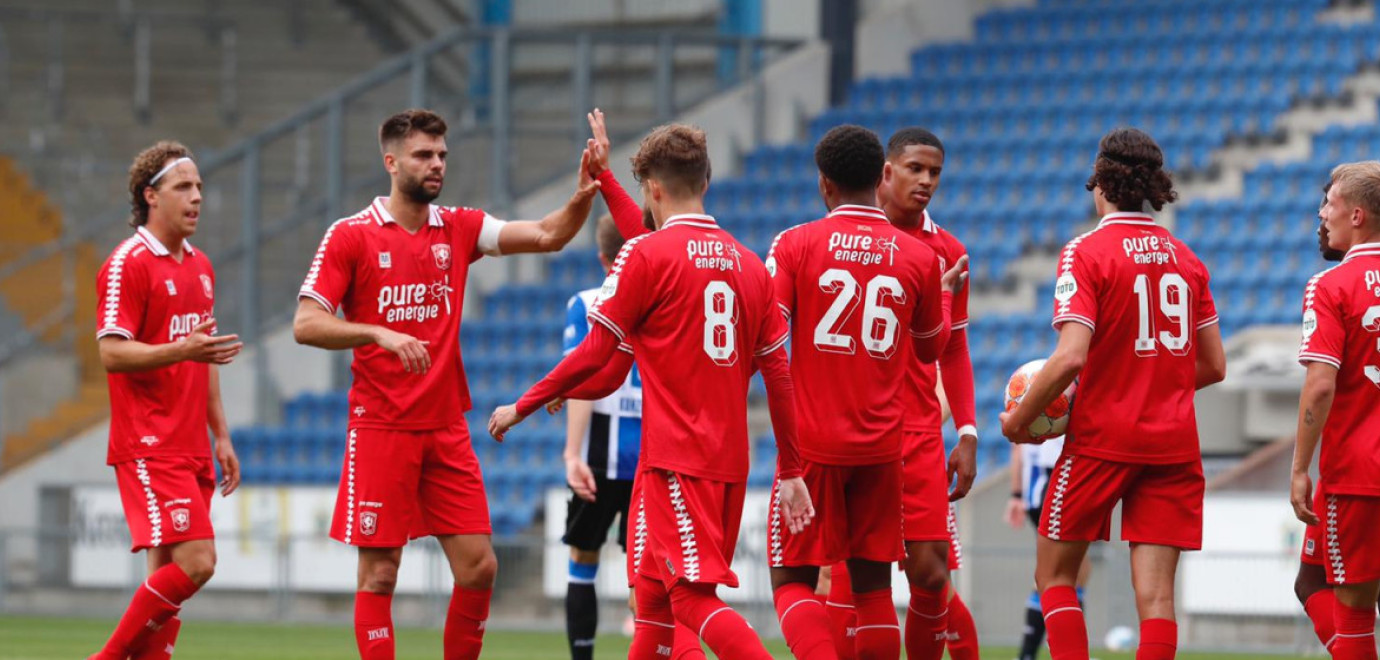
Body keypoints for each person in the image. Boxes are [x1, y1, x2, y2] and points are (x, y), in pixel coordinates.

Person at [488, 123, 814, 660]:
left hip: (678, 461)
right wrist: (793, 469)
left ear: (654, 190)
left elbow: (595, 352)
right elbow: (779, 377)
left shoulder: (644, 257)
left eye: (643, 190)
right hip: (725, 462)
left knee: (688, 597)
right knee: (654, 601)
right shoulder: (752, 267)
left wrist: (521, 404)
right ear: (705, 180)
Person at [292, 108, 600, 660]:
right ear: (391, 162)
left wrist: (584, 190)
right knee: (380, 574)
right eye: (423, 155)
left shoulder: (458, 227)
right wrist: (376, 333)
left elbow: (550, 234)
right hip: (381, 426)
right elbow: (306, 322)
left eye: (441, 155)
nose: (436, 165)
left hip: (444, 427)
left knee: (480, 567)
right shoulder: (350, 235)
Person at [1000, 127, 1226, 660]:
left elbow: (1071, 356)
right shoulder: (1187, 259)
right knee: (1157, 597)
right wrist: (1155, 384)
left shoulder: (1087, 251)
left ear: (1100, 183)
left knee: (1053, 573)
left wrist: (1018, 423)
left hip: (1103, 437)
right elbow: (1214, 365)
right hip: (1172, 443)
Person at [764, 124, 962, 660]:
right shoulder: (921, 259)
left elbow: (768, 338)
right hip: (881, 447)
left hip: (812, 447)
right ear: (881, 177)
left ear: (824, 184)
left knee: (792, 581)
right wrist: (943, 300)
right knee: (875, 589)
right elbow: (930, 351)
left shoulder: (794, 243)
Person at [89, 141, 243, 660]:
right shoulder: (126, 264)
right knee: (198, 562)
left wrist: (220, 435)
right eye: (183, 187)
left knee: (164, 585)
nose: (196, 197)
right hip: (149, 440)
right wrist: (182, 348)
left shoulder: (201, 266)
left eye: (199, 186)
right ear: (150, 196)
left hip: (191, 443)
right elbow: (112, 353)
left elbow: (204, 358)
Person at [862, 126, 980, 660]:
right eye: (915, 168)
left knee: (931, 575)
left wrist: (968, 431)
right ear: (887, 171)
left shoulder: (949, 250)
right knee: (855, 578)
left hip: (918, 430)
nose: (926, 181)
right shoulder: (852, 234)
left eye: (935, 172)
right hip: (855, 426)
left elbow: (953, 350)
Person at [1290, 161, 1380, 660]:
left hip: (1359, 475)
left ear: (1358, 216)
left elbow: (1320, 386)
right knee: (1312, 582)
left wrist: (1300, 468)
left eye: (1331, 203)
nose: (1322, 213)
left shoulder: (1329, 286)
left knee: (1355, 611)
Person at [560, 214, 643, 660]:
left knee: (583, 562)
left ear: (602, 257)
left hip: (597, 456)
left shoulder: (587, 302)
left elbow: (580, 379)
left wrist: (571, 453)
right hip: (650, 456)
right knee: (643, 574)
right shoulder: (660, 298)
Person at [1004, 437, 1091, 660]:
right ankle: (1030, 654)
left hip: (1042, 490)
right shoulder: (1054, 403)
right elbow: (1018, 446)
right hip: (1053, 484)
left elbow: (1017, 446)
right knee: (1059, 574)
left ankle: (1038, 653)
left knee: (1075, 572)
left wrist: (1016, 494)